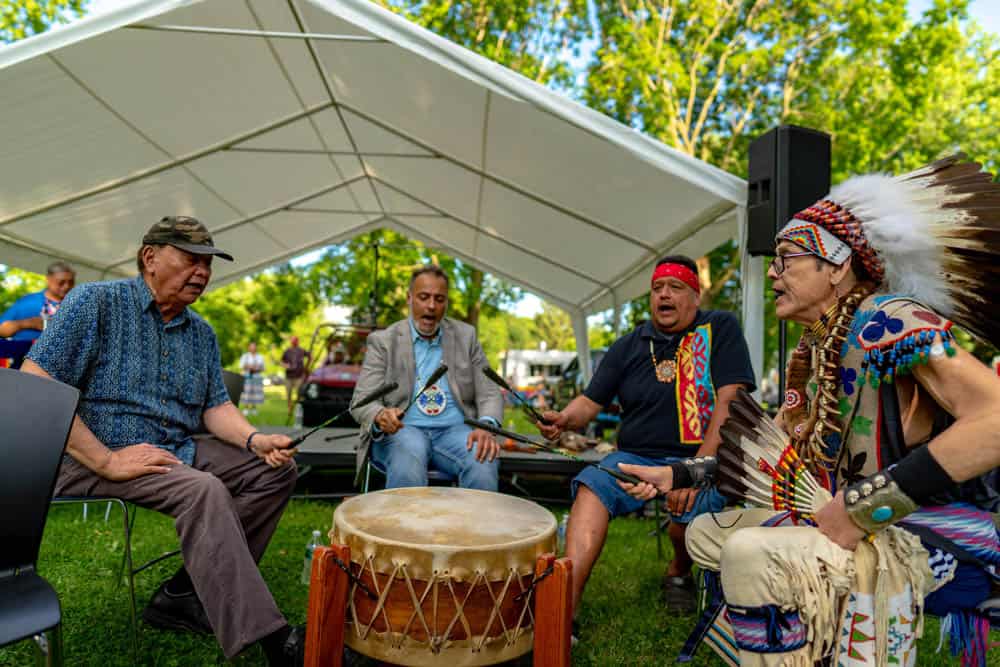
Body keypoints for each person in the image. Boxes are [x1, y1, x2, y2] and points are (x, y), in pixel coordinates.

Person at [620, 155, 1000, 666]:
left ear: (838, 265)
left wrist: (862, 507)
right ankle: (813, 646)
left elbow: (995, 419)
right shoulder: (814, 350)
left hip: (919, 532)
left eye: (786, 259)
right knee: (709, 532)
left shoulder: (887, 320)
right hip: (840, 517)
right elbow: (766, 450)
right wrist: (677, 473)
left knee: (747, 553)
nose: (773, 272)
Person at [21, 216, 305, 667]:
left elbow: (215, 407)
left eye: (208, 264)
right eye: (191, 259)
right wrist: (107, 461)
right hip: (94, 454)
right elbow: (36, 381)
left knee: (274, 469)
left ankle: (184, 594)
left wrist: (254, 439)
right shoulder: (96, 302)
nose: (203, 272)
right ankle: (273, 640)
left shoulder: (202, 332)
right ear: (150, 258)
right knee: (202, 489)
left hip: (174, 448)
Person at [536, 255, 756, 616]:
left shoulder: (719, 328)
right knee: (592, 487)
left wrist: (693, 469)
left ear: (695, 297)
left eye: (675, 287)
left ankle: (679, 573)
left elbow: (730, 399)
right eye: (657, 288)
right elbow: (590, 403)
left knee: (686, 518)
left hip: (702, 459)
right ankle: (564, 608)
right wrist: (563, 419)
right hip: (635, 459)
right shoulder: (628, 345)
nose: (663, 295)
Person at [351, 265, 503, 490]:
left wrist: (486, 425)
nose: (431, 306)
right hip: (403, 430)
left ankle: (474, 526)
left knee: (482, 460)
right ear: (409, 299)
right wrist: (380, 415)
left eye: (439, 299)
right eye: (424, 297)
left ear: (446, 303)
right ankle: (406, 526)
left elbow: (489, 391)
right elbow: (361, 402)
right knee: (408, 460)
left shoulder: (466, 336)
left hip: (456, 431)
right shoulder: (383, 341)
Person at [0, 260, 75, 340]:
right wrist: (30, 323)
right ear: (48, 280)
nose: (66, 286)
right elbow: (2, 330)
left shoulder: (76, 305)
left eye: (71, 282)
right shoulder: (28, 301)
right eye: (61, 282)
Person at [279, 336, 310, 415]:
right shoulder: (287, 351)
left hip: (299, 376)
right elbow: (281, 362)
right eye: (293, 340)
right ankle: (289, 408)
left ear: (298, 341)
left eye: (295, 340)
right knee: (288, 393)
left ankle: (298, 408)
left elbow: (310, 357)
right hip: (289, 376)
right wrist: (286, 365)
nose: (294, 342)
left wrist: (306, 367)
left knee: (299, 393)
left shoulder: (301, 350)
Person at [239, 341, 265, 416]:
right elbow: (242, 366)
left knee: (255, 393)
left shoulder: (260, 357)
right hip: (247, 376)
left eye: (254, 346)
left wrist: (256, 368)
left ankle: (254, 408)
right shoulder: (245, 356)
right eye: (251, 346)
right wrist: (250, 367)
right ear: (249, 348)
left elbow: (262, 368)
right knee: (246, 392)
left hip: (256, 376)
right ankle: (246, 408)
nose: (253, 348)